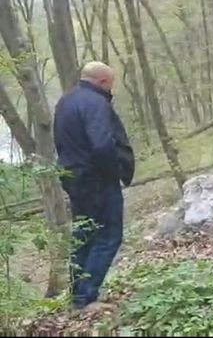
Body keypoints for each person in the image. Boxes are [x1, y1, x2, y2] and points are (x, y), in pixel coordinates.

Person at [53, 61, 134, 311]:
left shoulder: (65, 102)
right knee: (108, 236)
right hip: (97, 180)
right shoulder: (96, 103)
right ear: (102, 82)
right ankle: (86, 298)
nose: (111, 90)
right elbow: (101, 145)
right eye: (110, 85)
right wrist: (114, 173)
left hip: (74, 179)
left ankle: (77, 295)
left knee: (84, 235)